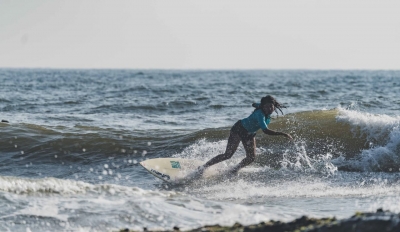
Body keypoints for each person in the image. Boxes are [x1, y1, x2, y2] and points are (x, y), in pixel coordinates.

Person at [196, 95, 293, 176]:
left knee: (251, 157)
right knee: (228, 155)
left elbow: (253, 104)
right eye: (266, 107)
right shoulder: (260, 114)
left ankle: (234, 170)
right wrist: (283, 134)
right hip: (239, 129)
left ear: (274, 106)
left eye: (270, 106)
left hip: (249, 133)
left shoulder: (262, 108)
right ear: (263, 107)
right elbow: (265, 130)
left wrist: (258, 105)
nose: (268, 109)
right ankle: (203, 167)